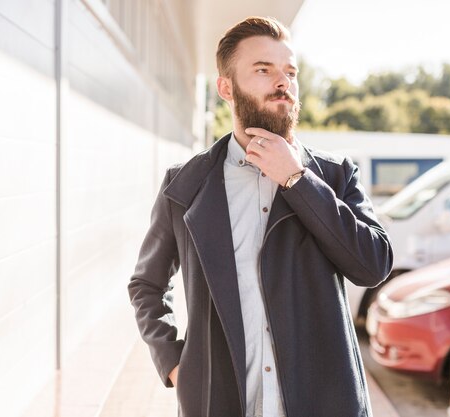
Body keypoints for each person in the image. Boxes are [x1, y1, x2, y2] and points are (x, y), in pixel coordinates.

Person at [128, 16, 393, 417]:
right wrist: (176, 365)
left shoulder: (335, 175)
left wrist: (296, 180)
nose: (282, 81)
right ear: (226, 88)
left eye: (289, 71)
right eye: (263, 69)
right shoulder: (183, 187)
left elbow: (373, 265)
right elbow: (147, 285)